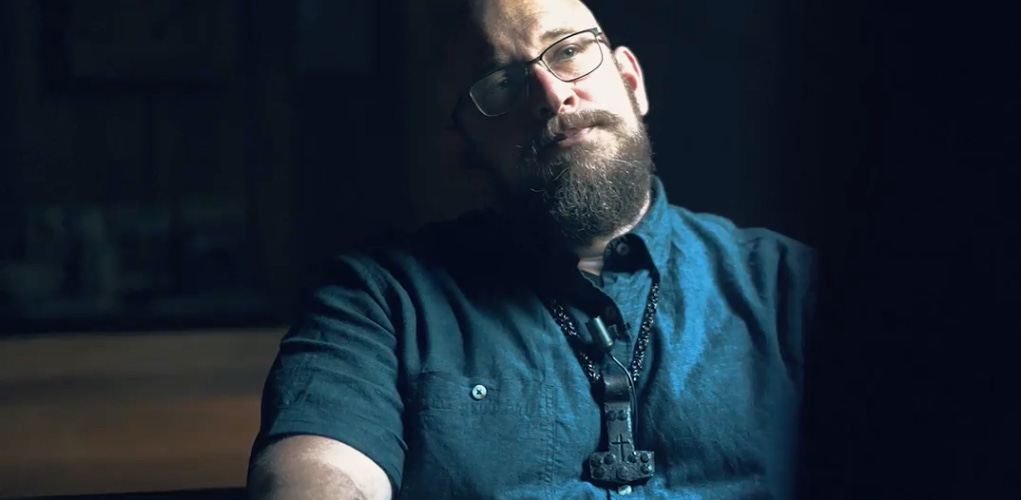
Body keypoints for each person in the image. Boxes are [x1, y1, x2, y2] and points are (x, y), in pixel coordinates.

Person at [245, 0, 817, 498]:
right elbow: (321, 472)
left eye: (568, 51)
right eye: (501, 83)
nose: (551, 94)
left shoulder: (788, 284)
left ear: (631, 81)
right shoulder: (380, 300)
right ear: (462, 146)